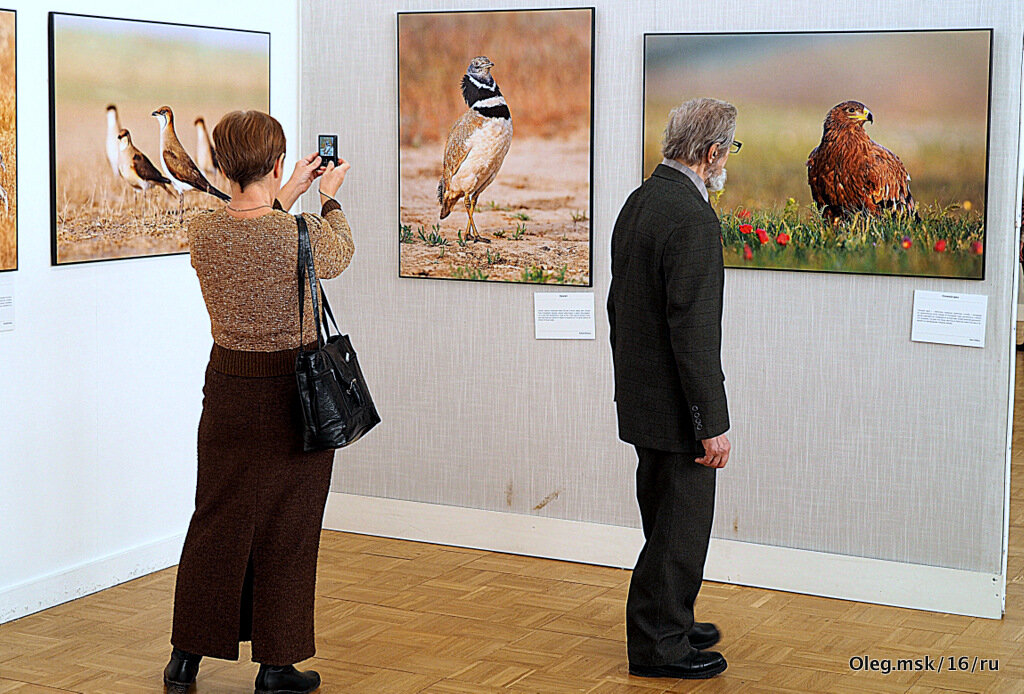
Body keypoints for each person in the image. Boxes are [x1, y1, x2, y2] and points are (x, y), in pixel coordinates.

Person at [162, 110, 354, 694]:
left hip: (225, 390)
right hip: (292, 396)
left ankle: (185, 658)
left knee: (214, 519)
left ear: (220, 165)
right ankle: (276, 665)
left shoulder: (202, 231)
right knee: (288, 527)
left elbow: (247, 224)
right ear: (276, 163)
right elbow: (337, 254)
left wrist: (283, 192)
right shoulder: (296, 234)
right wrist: (327, 198)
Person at [607, 97, 736, 680]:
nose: (727, 159)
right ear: (710, 153)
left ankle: (671, 614)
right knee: (681, 526)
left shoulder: (642, 200)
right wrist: (711, 421)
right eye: (727, 150)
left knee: (663, 518)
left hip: (641, 393)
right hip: (677, 406)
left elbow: (619, 306)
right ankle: (659, 643)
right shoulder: (692, 216)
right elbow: (694, 331)